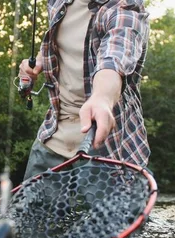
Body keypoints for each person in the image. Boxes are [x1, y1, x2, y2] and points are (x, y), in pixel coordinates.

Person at [19, 0, 150, 180]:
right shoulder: (58, 2)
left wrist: (102, 98)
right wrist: (40, 60)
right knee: (28, 209)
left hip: (109, 151)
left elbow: (115, 55)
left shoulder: (126, 10)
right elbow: (64, 39)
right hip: (53, 138)